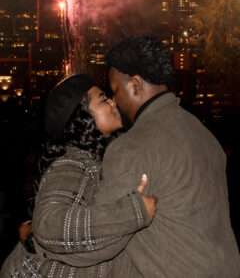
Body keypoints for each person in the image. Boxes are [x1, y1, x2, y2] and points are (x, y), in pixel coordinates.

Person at [91, 35, 239, 277]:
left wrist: (39, 240)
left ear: (136, 85)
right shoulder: (204, 135)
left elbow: (101, 238)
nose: (114, 101)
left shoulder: (132, 147)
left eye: (116, 90)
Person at [0, 74, 157, 277]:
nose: (113, 102)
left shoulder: (103, 155)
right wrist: (133, 212)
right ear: (83, 117)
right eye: (103, 99)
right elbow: (50, 223)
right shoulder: (73, 162)